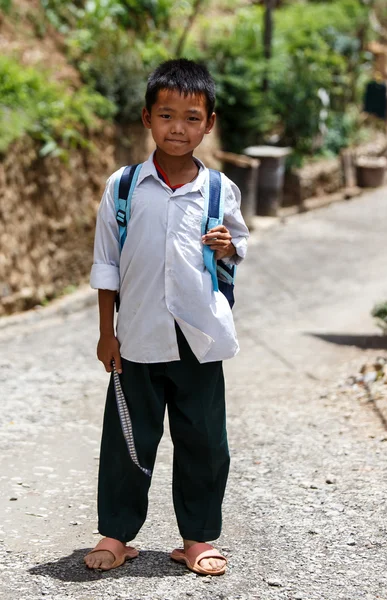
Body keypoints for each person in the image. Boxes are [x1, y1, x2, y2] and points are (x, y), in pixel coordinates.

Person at [84, 58, 249, 576]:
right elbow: (106, 263)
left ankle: (196, 539)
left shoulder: (220, 191)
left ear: (210, 123)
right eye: (167, 114)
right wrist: (106, 333)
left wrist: (226, 246)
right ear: (146, 119)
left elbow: (236, 250)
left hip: (200, 338)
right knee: (127, 439)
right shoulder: (125, 187)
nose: (179, 127)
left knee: (204, 441)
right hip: (137, 337)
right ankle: (116, 533)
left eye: (192, 117)